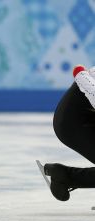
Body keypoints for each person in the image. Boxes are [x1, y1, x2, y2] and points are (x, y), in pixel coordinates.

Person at [41, 65, 95, 202]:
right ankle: (65, 176)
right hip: (72, 123)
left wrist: (80, 73)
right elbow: (88, 85)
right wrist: (80, 73)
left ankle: (64, 175)